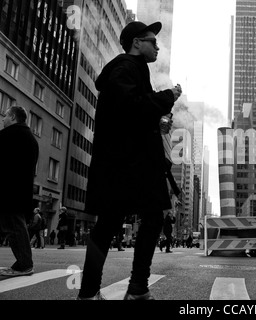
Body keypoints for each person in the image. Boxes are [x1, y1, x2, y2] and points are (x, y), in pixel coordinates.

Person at [76, 20, 182, 300]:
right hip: (125, 165)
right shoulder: (125, 67)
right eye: (152, 41)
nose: (157, 46)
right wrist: (166, 98)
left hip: (128, 163)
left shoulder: (133, 69)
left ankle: (123, 289)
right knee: (121, 222)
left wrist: (157, 123)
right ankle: (125, 289)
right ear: (137, 42)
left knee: (132, 220)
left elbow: (130, 115)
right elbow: (130, 108)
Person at [0, 106, 39, 277]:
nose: (3, 119)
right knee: (14, 225)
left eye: (5, 116)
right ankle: (23, 263)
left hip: (8, 190)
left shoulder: (9, 135)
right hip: (21, 190)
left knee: (14, 226)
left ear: (14, 117)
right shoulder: (30, 138)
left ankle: (24, 264)